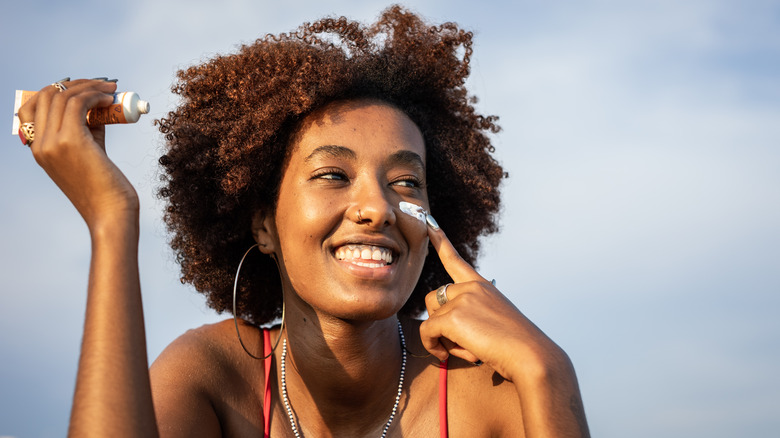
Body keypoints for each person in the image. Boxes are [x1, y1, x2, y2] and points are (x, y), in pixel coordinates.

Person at [16, 5, 589, 437]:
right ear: (263, 225)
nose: (378, 208)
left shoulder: (489, 388)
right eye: (333, 175)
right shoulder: (212, 378)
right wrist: (112, 221)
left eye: (406, 183)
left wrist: (549, 370)